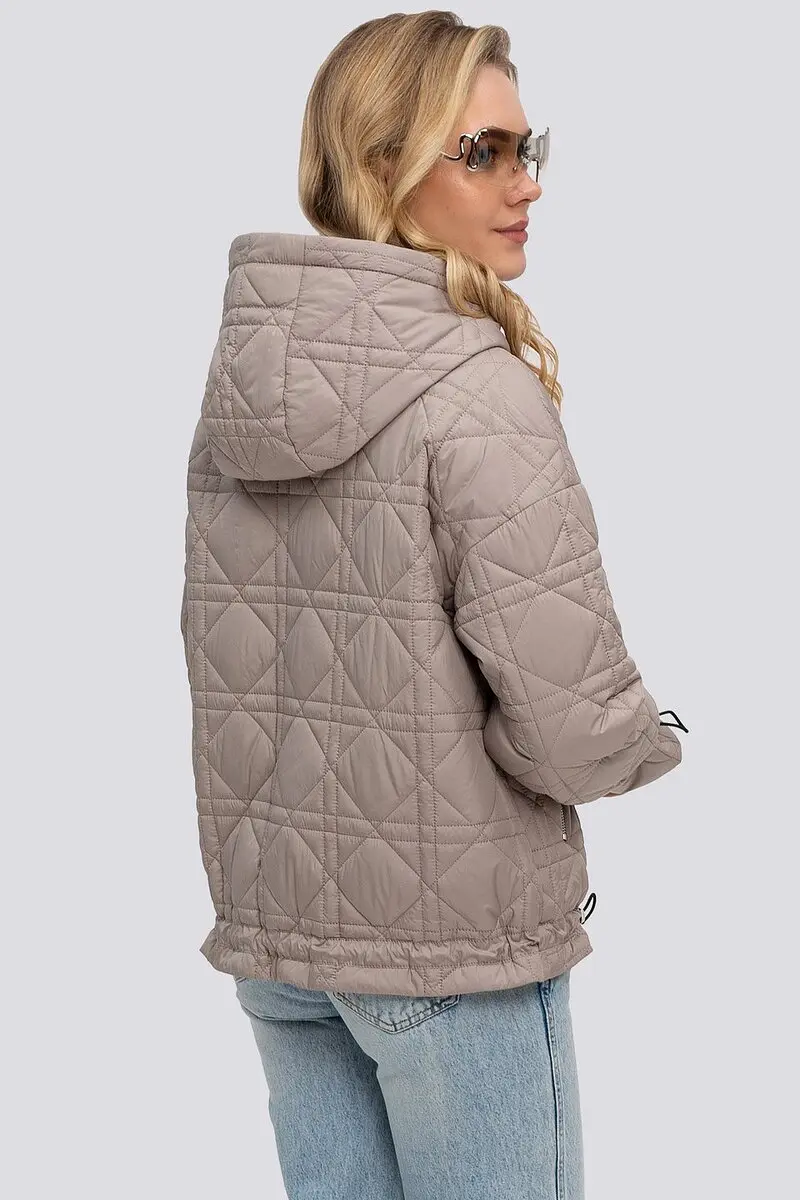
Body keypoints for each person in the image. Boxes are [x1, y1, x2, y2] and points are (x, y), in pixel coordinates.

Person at [180, 12, 686, 1199]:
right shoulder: (477, 394)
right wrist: (645, 745)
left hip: (279, 948)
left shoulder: (240, 388)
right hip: (450, 955)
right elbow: (566, 722)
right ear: (379, 167)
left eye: (527, 148)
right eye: (482, 152)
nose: (525, 184)